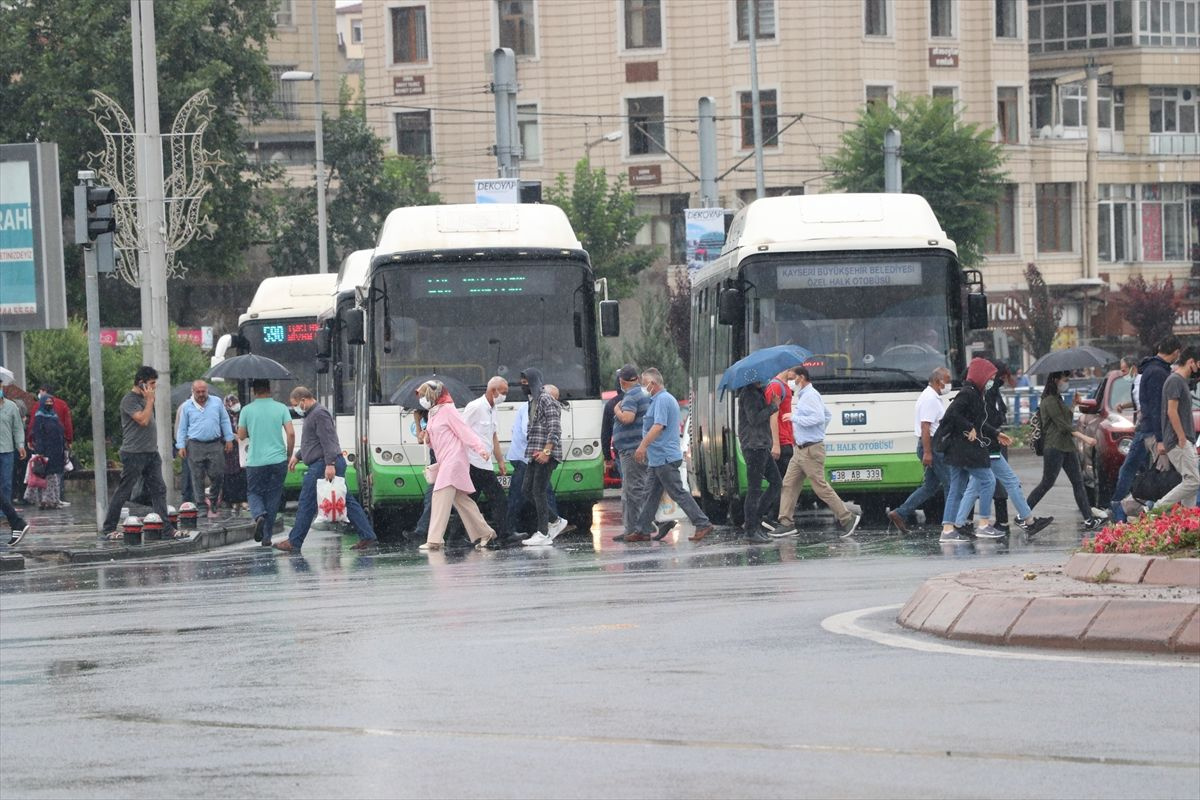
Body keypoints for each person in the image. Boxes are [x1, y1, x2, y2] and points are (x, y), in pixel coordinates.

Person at [274, 387, 376, 552]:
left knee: (306, 502)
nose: (295, 409)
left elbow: (329, 441)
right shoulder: (312, 414)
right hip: (323, 462)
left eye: (295, 405)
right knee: (346, 501)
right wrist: (298, 455)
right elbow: (313, 441)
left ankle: (294, 541)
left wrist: (330, 464)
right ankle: (367, 535)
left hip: (323, 464)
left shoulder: (319, 414)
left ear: (303, 400)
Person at [769, 365, 861, 539]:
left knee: (820, 487)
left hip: (810, 450)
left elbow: (818, 417)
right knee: (788, 484)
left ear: (801, 378)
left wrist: (795, 418)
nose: (790, 381)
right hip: (801, 449)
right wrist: (815, 434)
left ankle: (847, 518)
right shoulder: (805, 395)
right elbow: (827, 415)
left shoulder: (810, 396)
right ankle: (786, 523)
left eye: (792, 377)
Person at [632, 368, 714, 542]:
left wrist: (642, 446)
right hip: (658, 458)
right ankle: (642, 529)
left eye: (644, 384)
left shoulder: (662, 400)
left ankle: (702, 523)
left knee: (677, 492)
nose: (642, 387)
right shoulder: (659, 400)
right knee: (650, 494)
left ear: (652, 384)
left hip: (664, 457)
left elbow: (658, 426)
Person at [417, 380, 496, 552]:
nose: (422, 399)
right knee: (461, 500)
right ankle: (486, 532)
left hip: (454, 460)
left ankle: (435, 540)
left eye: (425, 395)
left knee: (439, 495)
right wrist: (427, 437)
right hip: (445, 460)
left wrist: (480, 449)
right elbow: (437, 439)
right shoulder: (432, 413)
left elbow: (464, 431)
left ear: (435, 395)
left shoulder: (448, 410)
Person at [1109, 336, 1181, 521]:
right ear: (1176, 352)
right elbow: (1157, 407)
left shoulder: (1150, 369)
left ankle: (1124, 506)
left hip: (1147, 428)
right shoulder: (1157, 372)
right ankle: (1129, 508)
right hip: (1152, 431)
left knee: (1145, 470)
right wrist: (1160, 439)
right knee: (1162, 475)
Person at [101, 366, 176, 539]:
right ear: (141, 383)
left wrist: (149, 400)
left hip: (151, 453)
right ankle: (109, 528)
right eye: (151, 384)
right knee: (124, 490)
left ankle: (166, 529)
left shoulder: (146, 399)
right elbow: (142, 420)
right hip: (133, 453)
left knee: (159, 489)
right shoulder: (129, 400)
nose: (153, 388)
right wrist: (150, 401)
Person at [981, 361, 1053, 537]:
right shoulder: (990, 392)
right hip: (991, 445)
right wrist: (997, 431)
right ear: (1003, 375)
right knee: (1009, 482)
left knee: (974, 486)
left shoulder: (987, 391)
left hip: (988, 444)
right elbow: (990, 418)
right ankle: (1027, 520)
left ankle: (958, 524)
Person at [936, 358, 1003, 543]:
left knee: (956, 489)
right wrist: (968, 427)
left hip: (958, 450)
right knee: (988, 480)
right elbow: (952, 414)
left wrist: (996, 433)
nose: (992, 381)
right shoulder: (968, 393)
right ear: (981, 375)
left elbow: (978, 423)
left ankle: (948, 529)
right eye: (990, 377)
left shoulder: (974, 393)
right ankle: (983, 524)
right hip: (965, 450)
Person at [1024, 371, 1102, 530]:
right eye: (1065, 380)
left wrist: (1073, 405)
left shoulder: (1058, 399)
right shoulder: (1049, 401)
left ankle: (1089, 519)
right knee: (1047, 483)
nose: (1066, 383)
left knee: (1078, 482)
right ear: (1055, 380)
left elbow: (1066, 419)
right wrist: (1085, 438)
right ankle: (1023, 514)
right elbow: (1063, 425)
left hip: (1066, 446)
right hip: (1054, 447)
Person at [888, 367, 952, 534]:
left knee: (930, 487)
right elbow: (926, 427)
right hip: (932, 446)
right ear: (939, 382)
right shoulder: (930, 399)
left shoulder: (930, 396)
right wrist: (928, 452)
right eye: (948, 380)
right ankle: (950, 524)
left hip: (931, 446)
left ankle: (900, 513)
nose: (950, 384)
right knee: (951, 485)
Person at [237, 379, 295, 547]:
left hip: (256, 461)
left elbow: (241, 436)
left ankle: (258, 515)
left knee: (254, 493)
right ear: (269, 390)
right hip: (278, 460)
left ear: (254, 391)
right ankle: (267, 537)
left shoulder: (247, 410)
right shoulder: (281, 408)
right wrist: (289, 454)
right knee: (273, 497)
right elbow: (291, 433)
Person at [462, 376, 516, 546]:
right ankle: (505, 533)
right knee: (498, 498)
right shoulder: (475, 407)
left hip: (484, 463)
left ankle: (457, 538)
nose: (505, 396)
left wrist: (500, 461)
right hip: (473, 462)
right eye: (504, 393)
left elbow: (493, 436)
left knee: (469, 502)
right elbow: (461, 431)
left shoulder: (493, 410)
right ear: (493, 391)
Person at [520, 368, 571, 546]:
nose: (522, 385)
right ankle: (555, 521)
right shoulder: (532, 401)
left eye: (526, 382)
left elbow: (555, 427)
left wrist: (547, 451)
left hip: (546, 453)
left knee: (538, 491)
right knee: (526, 490)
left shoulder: (546, 399)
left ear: (534, 381)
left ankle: (543, 532)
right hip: (535, 452)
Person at [505, 394, 566, 537]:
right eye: (553, 398)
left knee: (537, 491)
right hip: (525, 457)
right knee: (527, 492)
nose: (554, 402)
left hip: (530, 456)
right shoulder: (530, 407)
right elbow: (529, 431)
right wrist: (546, 449)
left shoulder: (536, 406)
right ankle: (551, 523)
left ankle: (549, 525)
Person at [610, 364, 658, 542]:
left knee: (633, 490)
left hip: (632, 449)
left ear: (622, 381)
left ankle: (639, 529)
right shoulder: (644, 393)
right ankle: (632, 528)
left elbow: (628, 418)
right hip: (639, 448)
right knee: (634, 489)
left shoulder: (630, 395)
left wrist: (617, 410)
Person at [175, 379, 235, 518]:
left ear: (207, 390)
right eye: (198, 392)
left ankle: (213, 499)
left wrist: (229, 438)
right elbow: (182, 428)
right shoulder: (187, 406)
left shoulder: (216, 402)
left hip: (214, 444)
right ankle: (201, 505)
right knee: (197, 477)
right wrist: (181, 446)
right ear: (193, 392)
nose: (201, 394)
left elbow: (224, 420)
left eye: (204, 391)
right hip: (195, 445)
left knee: (218, 473)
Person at [1153, 346, 1199, 510]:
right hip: (1178, 440)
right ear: (1191, 362)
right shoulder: (1175, 381)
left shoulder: (1182, 382)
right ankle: (1158, 508)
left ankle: (1187, 522)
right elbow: (1171, 412)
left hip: (1185, 439)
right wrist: (1181, 437)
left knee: (1190, 483)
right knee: (1193, 481)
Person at [737, 380, 781, 544]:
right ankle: (750, 529)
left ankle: (755, 522)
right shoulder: (749, 394)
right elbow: (754, 419)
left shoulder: (757, 392)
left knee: (776, 483)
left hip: (761, 445)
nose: (766, 379)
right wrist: (773, 406)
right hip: (754, 446)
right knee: (754, 489)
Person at [0, 381, 29, 545]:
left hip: (6, 450)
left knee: (5, 484)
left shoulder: (11, 407)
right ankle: (16, 522)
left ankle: (12, 519)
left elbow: (18, 428)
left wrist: (20, 445)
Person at [27, 395, 68, 510]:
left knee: (53, 476)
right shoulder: (39, 416)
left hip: (56, 451)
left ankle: (53, 500)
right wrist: (40, 451)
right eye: (47, 402)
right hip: (45, 451)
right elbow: (38, 434)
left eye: (51, 402)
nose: (49, 404)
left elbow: (60, 431)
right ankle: (45, 500)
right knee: (45, 476)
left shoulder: (54, 416)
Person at [764, 367, 795, 501]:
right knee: (782, 483)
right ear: (788, 369)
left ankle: (775, 514)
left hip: (786, 440)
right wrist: (776, 444)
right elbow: (773, 417)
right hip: (781, 442)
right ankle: (770, 514)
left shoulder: (784, 387)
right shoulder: (776, 387)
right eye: (797, 371)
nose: (798, 374)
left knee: (785, 483)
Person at [220, 393, 248, 514]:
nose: (235, 405)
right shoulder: (223, 416)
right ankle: (232, 501)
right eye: (232, 403)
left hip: (243, 449)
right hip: (229, 451)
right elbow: (220, 431)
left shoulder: (243, 414)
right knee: (230, 475)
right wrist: (231, 436)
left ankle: (242, 500)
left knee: (242, 474)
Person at [600, 370, 623, 481]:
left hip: (620, 450)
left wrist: (607, 456)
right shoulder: (643, 400)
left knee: (628, 484)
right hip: (641, 448)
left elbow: (605, 433)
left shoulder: (611, 404)